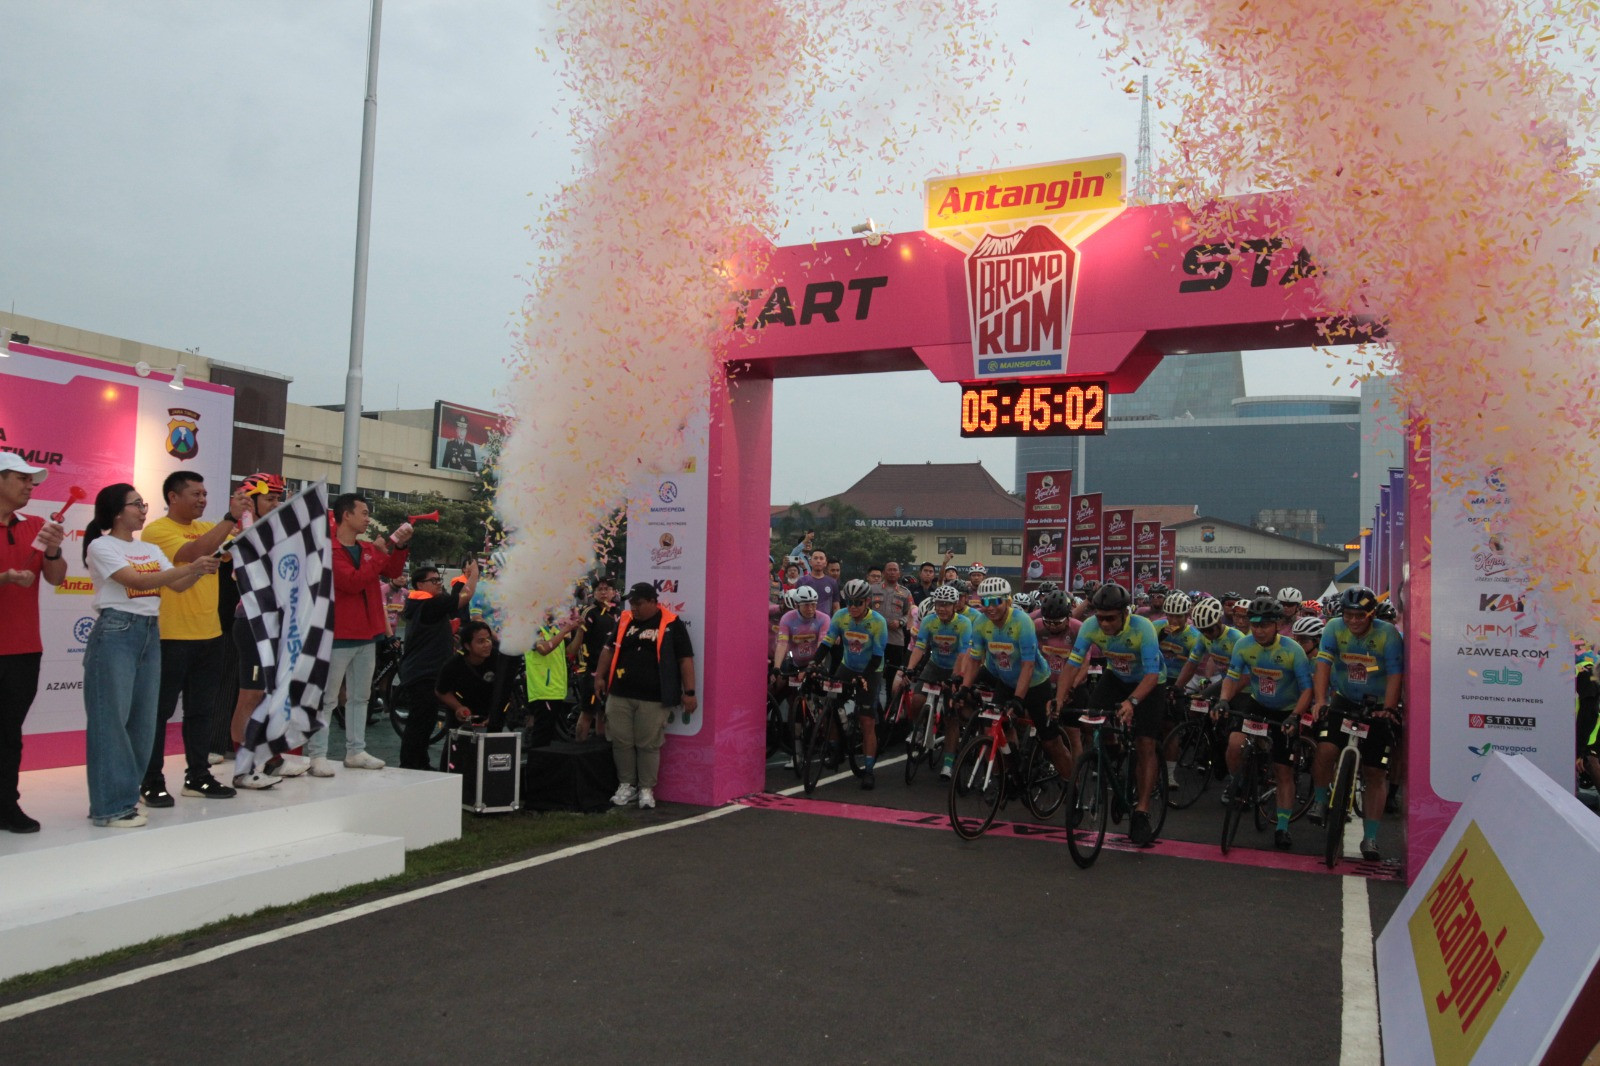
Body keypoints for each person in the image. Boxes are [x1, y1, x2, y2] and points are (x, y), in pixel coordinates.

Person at [81, 484, 219, 827]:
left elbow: (176, 585)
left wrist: (198, 570)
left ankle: (126, 797)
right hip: (116, 631)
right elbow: (138, 582)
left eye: (144, 504)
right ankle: (109, 807)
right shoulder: (102, 546)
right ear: (116, 512)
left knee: (142, 723)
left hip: (148, 631)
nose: (144, 509)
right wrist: (189, 566)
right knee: (111, 723)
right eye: (136, 504)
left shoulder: (148, 547)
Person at [139, 470, 253, 805]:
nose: (202, 500)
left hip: (210, 634)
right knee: (158, 713)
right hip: (169, 636)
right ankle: (151, 781)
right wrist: (230, 517)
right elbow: (191, 554)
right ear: (172, 497)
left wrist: (248, 516)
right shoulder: (157, 530)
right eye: (195, 494)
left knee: (201, 711)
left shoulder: (208, 528)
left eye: (205, 494)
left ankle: (198, 776)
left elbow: (236, 548)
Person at [1054, 582, 1165, 846]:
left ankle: (1142, 812)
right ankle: (1112, 750)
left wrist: (1133, 702)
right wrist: (1058, 700)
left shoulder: (1143, 628)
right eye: (1099, 617)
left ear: (1125, 614)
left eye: (1110, 619)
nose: (1103, 624)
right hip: (1116, 676)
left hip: (1149, 683)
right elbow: (1072, 664)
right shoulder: (1091, 626)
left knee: (1145, 743)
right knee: (1091, 719)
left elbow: (1151, 673)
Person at [313, 494, 411, 776]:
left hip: (368, 634)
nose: (368, 519)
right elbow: (352, 582)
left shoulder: (366, 548)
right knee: (329, 698)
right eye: (364, 513)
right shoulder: (329, 550)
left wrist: (400, 545)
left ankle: (356, 750)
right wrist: (380, 554)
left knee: (360, 696)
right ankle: (317, 753)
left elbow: (391, 570)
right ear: (346, 515)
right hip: (338, 635)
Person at [1309, 585, 1403, 861]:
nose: (1353, 621)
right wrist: (1320, 701)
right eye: (1348, 615)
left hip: (1376, 705)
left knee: (1375, 773)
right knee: (1325, 749)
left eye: (1359, 616)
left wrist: (1388, 709)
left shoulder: (1388, 635)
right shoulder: (1333, 629)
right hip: (1344, 699)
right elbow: (1323, 665)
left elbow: (1396, 674)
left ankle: (1370, 837)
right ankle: (1319, 800)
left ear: (1372, 614)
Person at [0, 453, 67, 832]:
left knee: (10, 734)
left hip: (25, 649)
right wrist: (5, 579)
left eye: (32, 480)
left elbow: (57, 578)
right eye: (22, 478)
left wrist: (54, 550)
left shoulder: (38, 526)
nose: (31, 485)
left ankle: (7, 806)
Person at [1219, 595, 1314, 850]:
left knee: (1283, 771)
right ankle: (1239, 782)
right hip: (1257, 703)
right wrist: (1224, 700)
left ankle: (1282, 827)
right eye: (1254, 625)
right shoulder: (1244, 645)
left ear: (1276, 625)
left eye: (1264, 625)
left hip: (1285, 710)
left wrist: (1295, 716)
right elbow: (1232, 677)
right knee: (1234, 743)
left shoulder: (1292, 650)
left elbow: (1307, 690)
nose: (1258, 630)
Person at [593, 583, 696, 810]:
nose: (634, 608)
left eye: (638, 603)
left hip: (654, 696)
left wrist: (689, 692)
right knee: (621, 741)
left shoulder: (671, 623)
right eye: (631, 603)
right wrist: (599, 676)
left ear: (652, 601)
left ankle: (646, 788)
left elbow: (685, 659)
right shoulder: (625, 620)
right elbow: (608, 648)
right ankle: (626, 785)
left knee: (648, 744)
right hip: (620, 692)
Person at [226, 473, 293, 789]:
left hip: (278, 622)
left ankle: (270, 759)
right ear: (250, 500)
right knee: (250, 695)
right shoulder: (240, 532)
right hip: (252, 623)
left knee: (271, 694)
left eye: (279, 499)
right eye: (270, 498)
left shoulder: (276, 532)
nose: (276, 504)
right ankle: (242, 766)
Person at [397, 561, 477, 770]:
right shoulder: (428, 604)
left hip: (424, 671)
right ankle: (411, 765)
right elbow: (464, 597)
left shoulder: (423, 605)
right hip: (423, 672)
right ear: (419, 585)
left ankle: (418, 762)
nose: (438, 583)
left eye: (438, 579)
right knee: (420, 722)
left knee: (425, 721)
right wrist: (474, 574)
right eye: (433, 580)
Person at [809, 578, 888, 789]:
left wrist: (863, 676)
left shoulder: (878, 621)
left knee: (866, 720)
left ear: (867, 602)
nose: (852, 607)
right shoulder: (840, 616)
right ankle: (836, 749)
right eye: (849, 602)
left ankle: (869, 769)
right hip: (847, 666)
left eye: (857, 603)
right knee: (831, 705)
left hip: (871, 670)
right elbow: (827, 643)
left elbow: (878, 657)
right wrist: (813, 663)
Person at [892, 583, 972, 778]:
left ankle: (948, 763)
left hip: (956, 666)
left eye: (946, 604)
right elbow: (919, 647)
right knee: (917, 699)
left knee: (951, 716)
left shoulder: (963, 623)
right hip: (935, 665)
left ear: (955, 605)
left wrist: (955, 678)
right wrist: (909, 670)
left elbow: (964, 654)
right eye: (938, 604)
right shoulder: (929, 620)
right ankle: (919, 730)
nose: (942, 608)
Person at [571, 576, 620, 740]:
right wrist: (583, 667)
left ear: (614, 592)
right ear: (594, 593)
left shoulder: (619, 614)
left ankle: (599, 746)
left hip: (612, 671)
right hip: (591, 670)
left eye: (607, 589)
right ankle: (579, 745)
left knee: (604, 711)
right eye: (600, 589)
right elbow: (578, 641)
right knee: (588, 711)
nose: (604, 593)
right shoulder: (589, 612)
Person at [435, 621, 508, 727]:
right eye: (480, 641)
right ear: (467, 646)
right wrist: (458, 707)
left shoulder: (497, 658)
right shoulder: (453, 664)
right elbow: (441, 691)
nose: (487, 644)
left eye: (488, 639)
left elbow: (504, 689)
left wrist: (496, 714)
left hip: (489, 712)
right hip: (463, 715)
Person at [525, 609, 579, 744]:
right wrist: (565, 631)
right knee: (541, 737)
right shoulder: (531, 627)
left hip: (556, 689)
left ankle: (545, 763)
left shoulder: (554, 629)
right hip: (542, 690)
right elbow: (543, 649)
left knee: (549, 736)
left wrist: (581, 630)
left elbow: (571, 651)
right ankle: (535, 763)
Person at [873, 561, 914, 695]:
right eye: (889, 570)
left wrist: (900, 622)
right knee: (873, 673)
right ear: (884, 573)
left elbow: (910, 614)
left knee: (893, 675)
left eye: (894, 570)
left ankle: (891, 707)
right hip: (875, 637)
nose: (891, 572)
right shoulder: (872, 589)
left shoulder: (905, 593)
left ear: (899, 573)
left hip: (895, 639)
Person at [796, 549, 838, 617]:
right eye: (815, 558)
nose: (818, 561)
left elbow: (836, 607)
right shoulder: (802, 581)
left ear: (825, 563)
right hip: (806, 623)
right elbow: (797, 605)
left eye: (821, 558)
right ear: (810, 562)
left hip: (826, 623)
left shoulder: (832, 582)